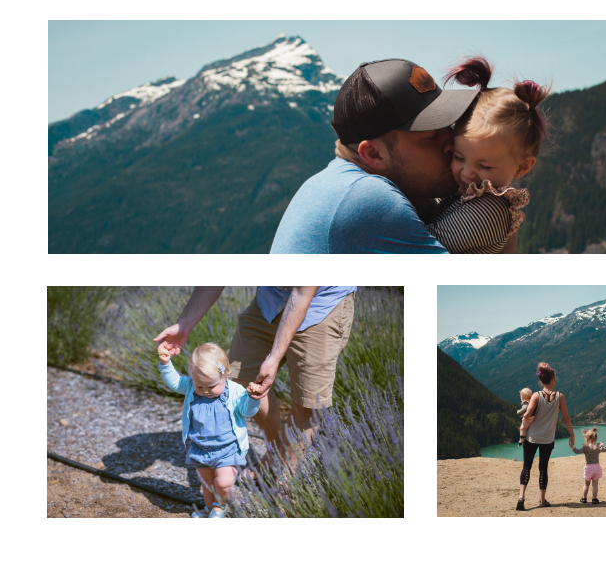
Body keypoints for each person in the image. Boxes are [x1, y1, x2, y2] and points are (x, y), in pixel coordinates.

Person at [269, 58, 517, 254]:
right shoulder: (368, 198)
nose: (451, 143)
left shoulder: (341, 182)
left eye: (449, 126)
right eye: (430, 136)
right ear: (374, 154)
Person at [153, 286, 356, 468]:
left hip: (320, 307)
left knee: (307, 403)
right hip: (271, 301)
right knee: (242, 379)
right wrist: (183, 325)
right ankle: (277, 452)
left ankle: (287, 483)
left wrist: (274, 357)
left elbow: (302, 292)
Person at [425, 57, 550, 254]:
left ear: (522, 167)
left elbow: (416, 247)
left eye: (484, 166)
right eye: (458, 157)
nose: (466, 173)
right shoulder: (467, 193)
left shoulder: (489, 211)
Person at [157, 342, 260, 518]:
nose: (205, 391)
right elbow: (174, 383)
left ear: (226, 375)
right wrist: (166, 364)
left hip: (228, 448)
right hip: (201, 447)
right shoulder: (191, 387)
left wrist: (253, 399)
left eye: (211, 386)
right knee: (206, 483)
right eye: (200, 386)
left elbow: (247, 411)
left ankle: (220, 507)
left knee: (224, 482)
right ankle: (209, 507)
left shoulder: (235, 391)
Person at [517, 362, 575, 511]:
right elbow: (566, 418)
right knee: (543, 468)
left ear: (541, 380)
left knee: (527, 466)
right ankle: (542, 500)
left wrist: (524, 420)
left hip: (531, 438)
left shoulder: (536, 395)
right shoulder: (560, 397)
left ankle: (521, 497)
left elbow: (528, 413)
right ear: (553, 379)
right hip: (547, 439)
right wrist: (572, 434)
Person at [572, 427, 606, 504]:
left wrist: (572, 446)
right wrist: (602, 444)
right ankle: (594, 499)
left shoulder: (585, 448)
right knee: (595, 485)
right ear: (596, 439)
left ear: (586, 439)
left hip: (588, 468)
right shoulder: (598, 448)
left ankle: (584, 499)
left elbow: (577, 451)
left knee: (586, 484)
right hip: (597, 468)